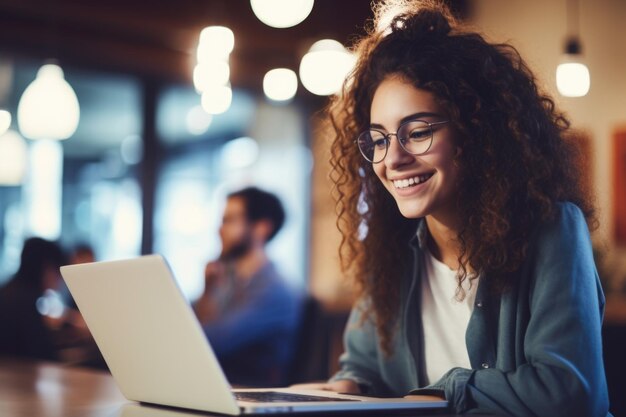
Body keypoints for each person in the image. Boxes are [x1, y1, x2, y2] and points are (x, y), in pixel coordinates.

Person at [302, 1, 611, 416]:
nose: (392, 159)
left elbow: (569, 393)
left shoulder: (553, 230)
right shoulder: (390, 248)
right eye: (378, 138)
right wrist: (341, 389)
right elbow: (363, 366)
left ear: (474, 134)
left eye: (418, 132)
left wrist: (447, 389)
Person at [193, 186, 302, 387]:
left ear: (262, 228)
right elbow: (195, 327)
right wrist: (207, 290)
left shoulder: (274, 290)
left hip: (252, 395)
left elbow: (210, 343)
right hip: (215, 388)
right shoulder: (226, 279)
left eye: (230, 220)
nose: (220, 229)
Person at [0, 237, 68, 360]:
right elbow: (44, 355)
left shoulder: (9, 292)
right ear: (47, 269)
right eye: (58, 270)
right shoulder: (24, 303)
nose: (61, 280)